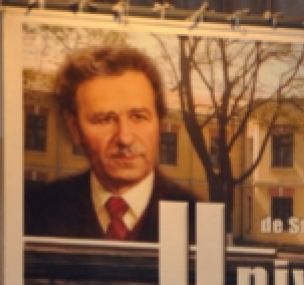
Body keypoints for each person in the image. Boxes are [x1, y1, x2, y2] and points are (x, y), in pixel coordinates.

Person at [25, 43, 198, 241]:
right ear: (74, 128)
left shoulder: (196, 220)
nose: (124, 138)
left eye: (138, 117)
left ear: (159, 123)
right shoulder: (35, 213)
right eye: (105, 119)